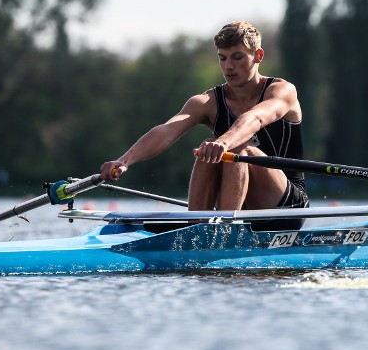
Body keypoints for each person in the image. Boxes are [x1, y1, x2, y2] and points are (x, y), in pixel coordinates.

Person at [100, 20, 309, 230]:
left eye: (237, 57)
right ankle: (198, 229)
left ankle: (225, 230)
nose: (228, 66)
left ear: (258, 56)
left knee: (235, 148)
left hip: (288, 207)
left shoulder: (282, 91)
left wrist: (224, 143)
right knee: (206, 148)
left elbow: (255, 118)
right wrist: (124, 161)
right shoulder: (207, 102)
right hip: (242, 206)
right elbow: (167, 131)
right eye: (222, 58)